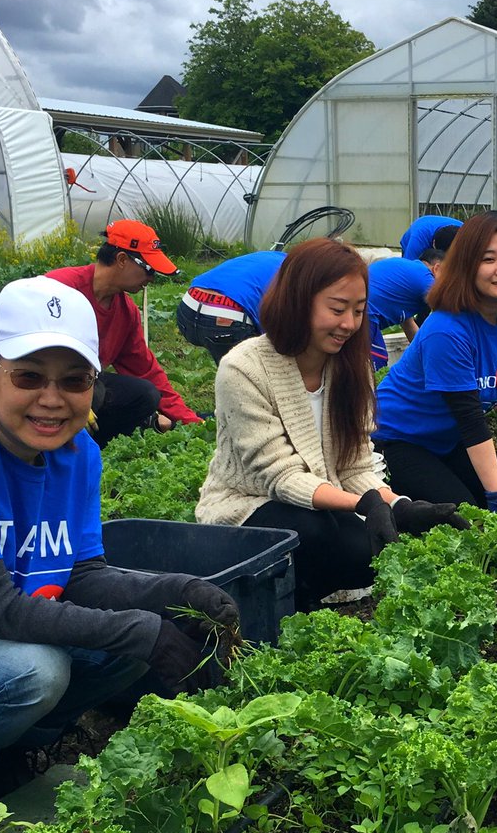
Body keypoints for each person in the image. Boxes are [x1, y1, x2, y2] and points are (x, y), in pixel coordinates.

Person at [0, 277, 239, 807]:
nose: (53, 400)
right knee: (38, 669)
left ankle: (9, 751)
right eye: (29, 376)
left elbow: (80, 576)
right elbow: (2, 613)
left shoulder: (77, 452)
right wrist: (141, 631)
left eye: (75, 380)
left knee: (120, 650)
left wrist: (178, 592)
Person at [196, 239, 466, 612]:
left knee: (364, 555)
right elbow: (281, 477)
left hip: (322, 500)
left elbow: (355, 464)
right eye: (337, 309)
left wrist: (399, 504)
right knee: (313, 534)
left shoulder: (350, 366)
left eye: (358, 311)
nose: (349, 325)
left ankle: (302, 592)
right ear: (297, 301)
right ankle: (276, 601)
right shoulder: (243, 368)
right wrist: (363, 504)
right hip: (248, 504)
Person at [372, 211, 497, 509]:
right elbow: (470, 419)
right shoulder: (447, 329)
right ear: (466, 265)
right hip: (398, 440)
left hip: (447, 440)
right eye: (488, 259)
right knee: (461, 513)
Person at [48, 219, 202, 445]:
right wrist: (67, 393)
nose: (151, 279)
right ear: (122, 260)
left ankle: (92, 445)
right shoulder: (59, 288)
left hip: (85, 383)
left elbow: (146, 370)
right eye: (149, 270)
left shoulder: (126, 312)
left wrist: (192, 421)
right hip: (41, 384)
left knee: (145, 394)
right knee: (93, 392)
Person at [176, 250, 286, 365]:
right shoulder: (295, 273)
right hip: (226, 319)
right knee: (252, 376)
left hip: (188, 307)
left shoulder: (270, 256)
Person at [367, 250, 444, 369]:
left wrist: (425, 355)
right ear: (437, 269)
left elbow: (409, 325)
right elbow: (451, 315)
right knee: (373, 362)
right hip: (366, 313)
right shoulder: (426, 278)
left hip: (358, 309)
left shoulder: (405, 275)